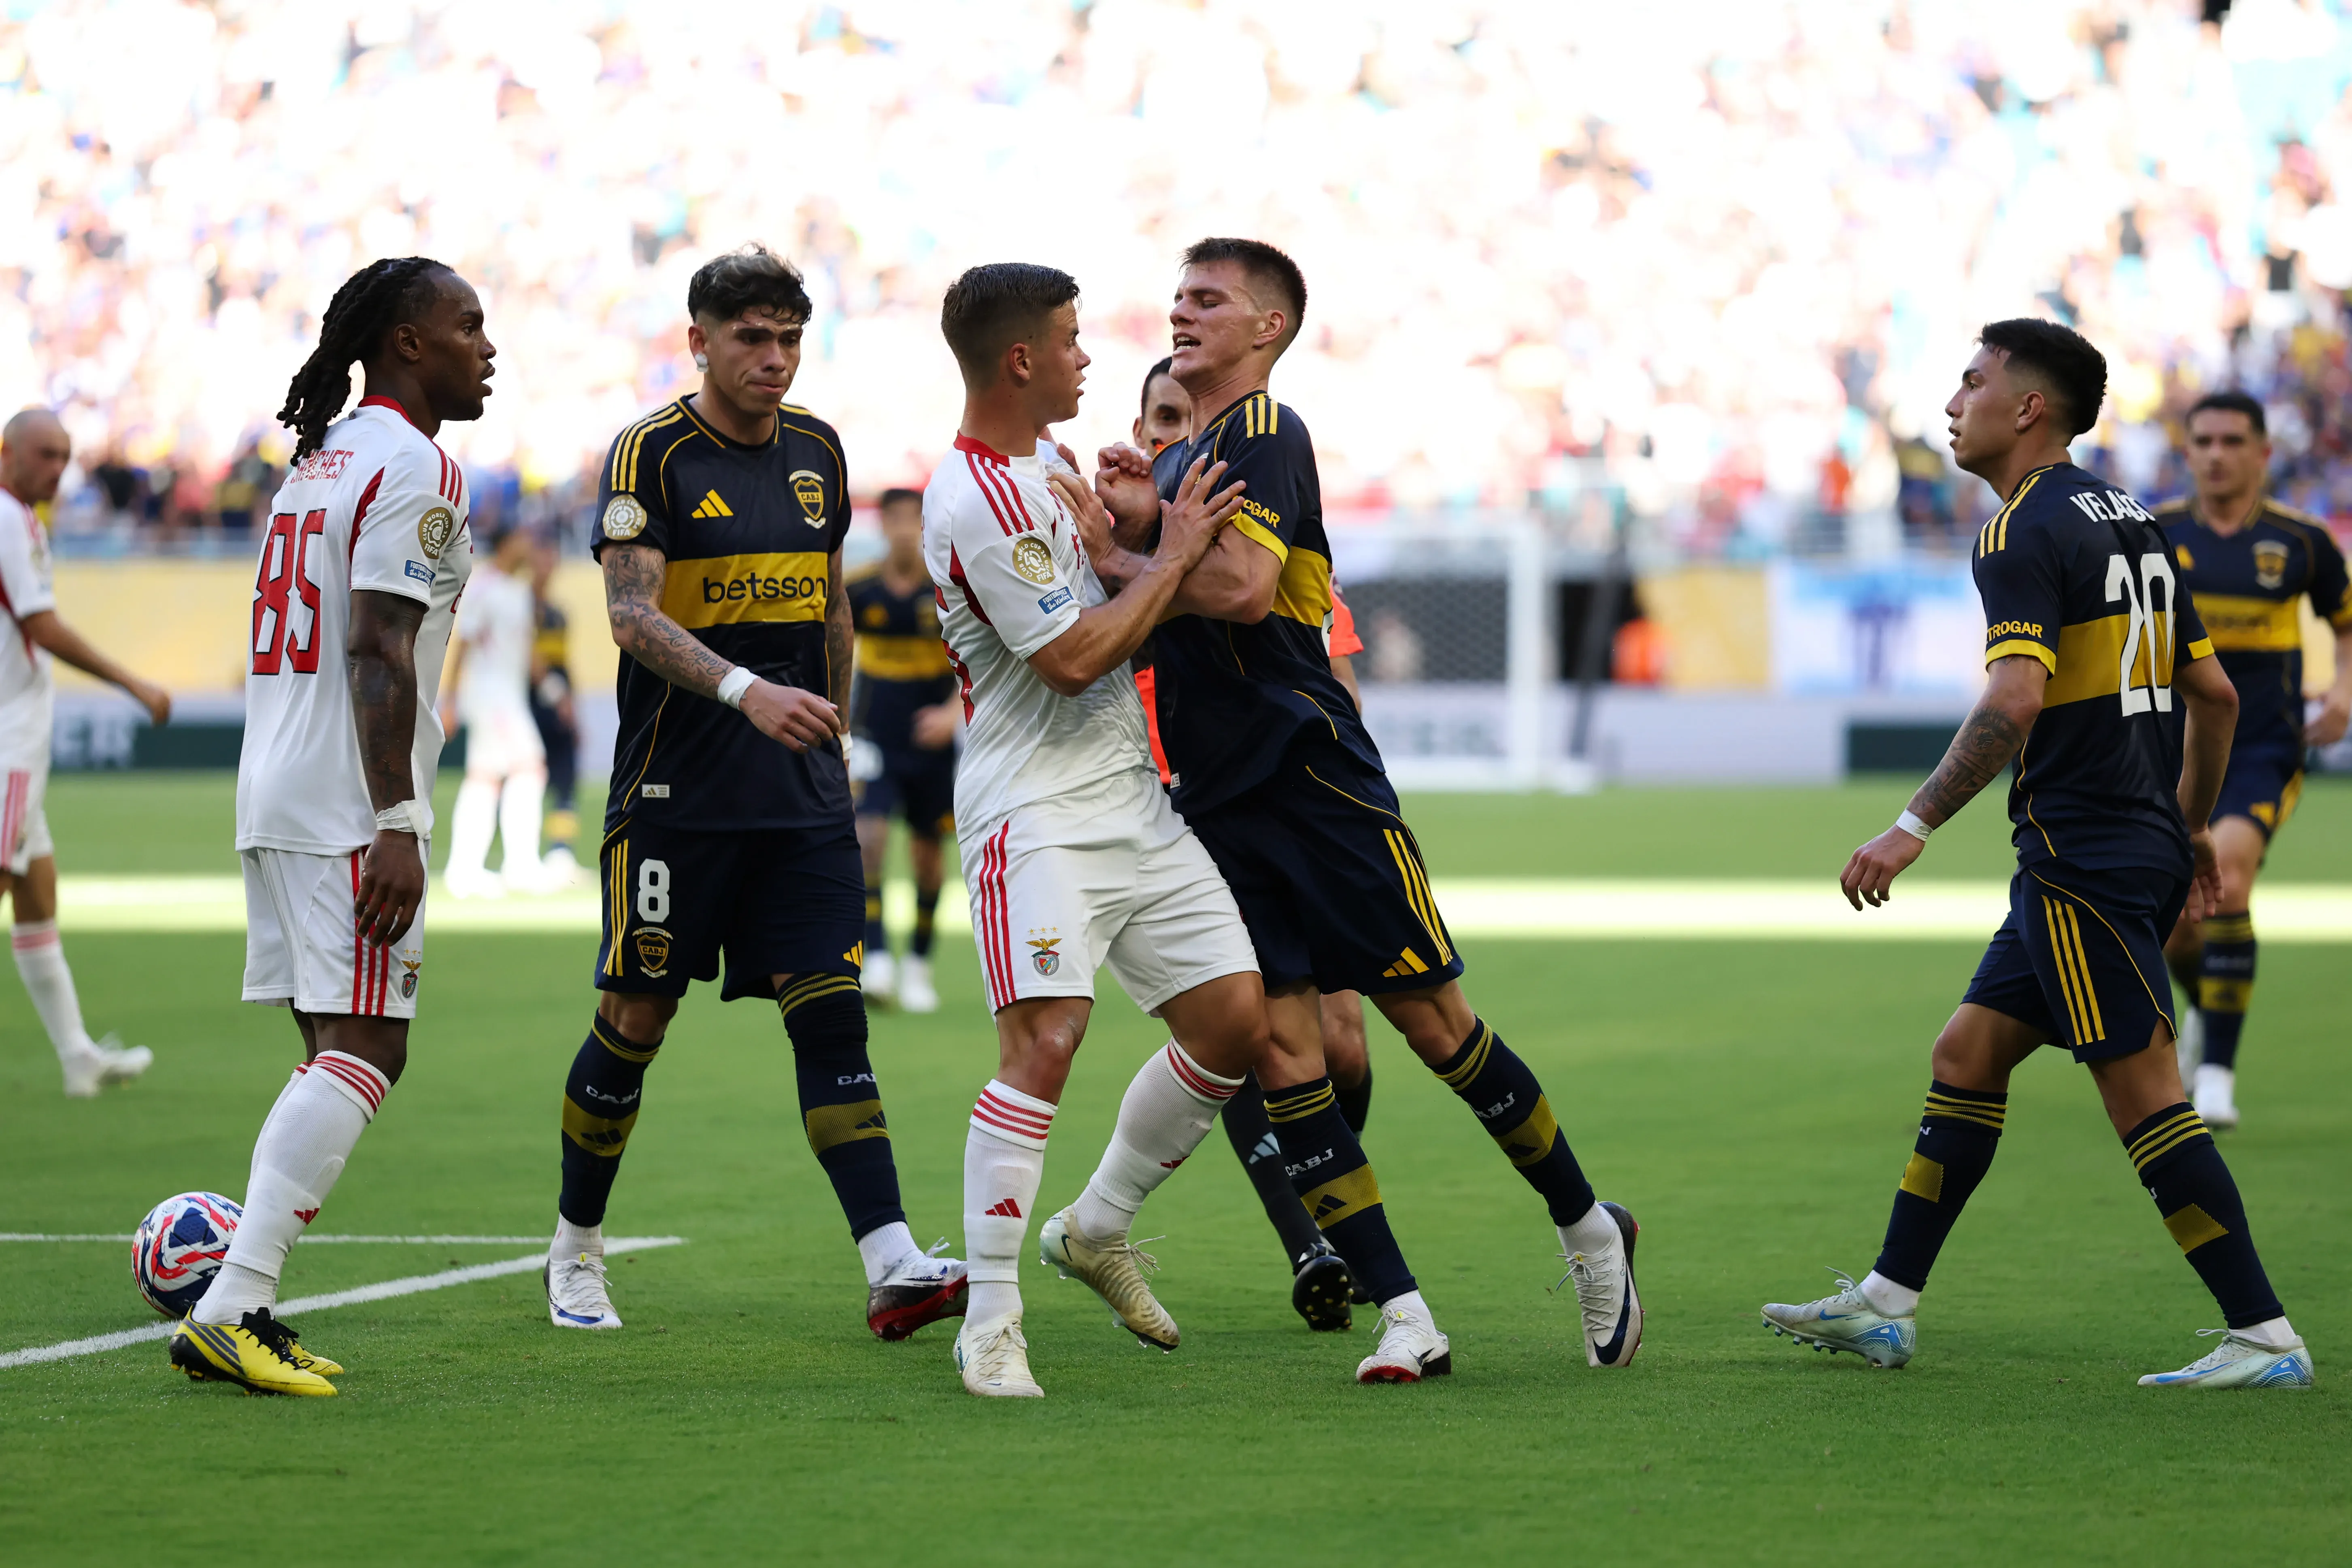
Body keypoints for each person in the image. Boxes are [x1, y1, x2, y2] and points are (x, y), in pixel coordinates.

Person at [1093, 239, 1641, 1374]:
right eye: (1177, 297)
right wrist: (1129, 537)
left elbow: (1243, 589)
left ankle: (1592, 1232)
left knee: (1432, 1026)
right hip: (1220, 799)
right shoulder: (1189, 450)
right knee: (1287, 1051)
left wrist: (1124, 554)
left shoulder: (1261, 433)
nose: (1182, 312)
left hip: (1313, 780)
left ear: (1268, 329)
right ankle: (1406, 1314)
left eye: (1209, 300)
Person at [1764, 319, 2312, 1389]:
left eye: (1971, 382)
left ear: (2028, 408)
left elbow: (2013, 699)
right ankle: (1886, 1304)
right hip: (2128, 842)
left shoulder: (2019, 530)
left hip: (2083, 854)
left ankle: (2263, 1334)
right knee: (1965, 1054)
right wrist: (2188, 825)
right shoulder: (2134, 518)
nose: (1950, 403)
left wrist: (1909, 826)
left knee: (2145, 1092)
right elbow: (2215, 694)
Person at [544, 245, 963, 1343]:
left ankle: (890, 1260)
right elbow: (630, 617)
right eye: (750, 338)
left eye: (788, 338)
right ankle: (576, 1249)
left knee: (829, 1014)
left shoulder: (821, 447)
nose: (773, 359)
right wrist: (745, 693)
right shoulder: (651, 455)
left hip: (800, 797)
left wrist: (827, 733)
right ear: (700, 340)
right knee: (636, 1020)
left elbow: (830, 609)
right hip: (676, 793)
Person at [925, 261, 1291, 1397]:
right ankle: (989, 1322)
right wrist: (1174, 555)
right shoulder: (973, 496)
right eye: (1075, 341)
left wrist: (1123, 532)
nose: (1093, 358)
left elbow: (1102, 607)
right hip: (1031, 813)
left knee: (1236, 1025)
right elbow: (1076, 654)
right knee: (1047, 1042)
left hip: (1128, 794)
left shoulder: (1049, 466)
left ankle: (1096, 1226)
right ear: (1022, 360)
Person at [170, 256, 492, 1396]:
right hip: (349, 801)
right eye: (468, 327)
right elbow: (377, 645)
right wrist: (397, 818)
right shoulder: (418, 463)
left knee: (331, 1044)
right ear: (409, 343)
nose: (486, 348)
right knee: (371, 1046)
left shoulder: (319, 459)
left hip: (277, 783)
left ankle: (244, 1296)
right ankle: (237, 1298)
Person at [2155, 390, 2352, 1130]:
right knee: (2178, 924)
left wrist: (2340, 691)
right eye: (2202, 440)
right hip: (2171, 749)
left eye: (2232, 440)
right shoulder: (2157, 532)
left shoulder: (2300, 541)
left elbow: (2346, 621)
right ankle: (2211, 1007)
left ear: (2264, 451)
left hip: (2264, 745)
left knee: (2227, 879)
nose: (2216, 453)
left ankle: (2214, 1077)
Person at [0, 408, 167, 1097]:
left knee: (37, 888)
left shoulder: (25, 518)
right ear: (6, 450)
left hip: (22, 727)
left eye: (65, 457)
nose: (56, 470)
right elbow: (39, 622)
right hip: (6, 734)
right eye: (44, 454)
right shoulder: (7, 516)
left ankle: (77, 1055)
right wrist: (131, 680)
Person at [846, 486, 957, 1013]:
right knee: (867, 839)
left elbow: (980, 657)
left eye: (912, 519)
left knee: (927, 857)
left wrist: (952, 714)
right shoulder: (860, 589)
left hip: (931, 742)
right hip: (874, 736)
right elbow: (833, 647)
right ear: (881, 525)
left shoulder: (946, 589)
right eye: (893, 519)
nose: (903, 529)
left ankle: (918, 963)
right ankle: (878, 958)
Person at [440, 524, 550, 897]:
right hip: (490, 698)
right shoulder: (484, 586)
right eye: (525, 538)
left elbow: (527, 650)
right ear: (509, 542)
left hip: (510, 697)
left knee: (489, 776)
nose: (530, 545)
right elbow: (464, 644)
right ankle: (513, 866)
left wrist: (552, 690)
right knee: (527, 768)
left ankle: (472, 868)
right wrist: (451, 701)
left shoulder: (519, 591)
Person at [527, 533, 583, 882]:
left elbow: (565, 664)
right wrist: (557, 697)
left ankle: (561, 852)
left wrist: (573, 707)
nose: (549, 567)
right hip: (533, 704)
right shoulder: (521, 607)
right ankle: (525, 853)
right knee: (529, 777)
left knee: (566, 778)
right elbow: (530, 664)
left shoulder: (558, 614)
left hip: (559, 705)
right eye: (542, 559)